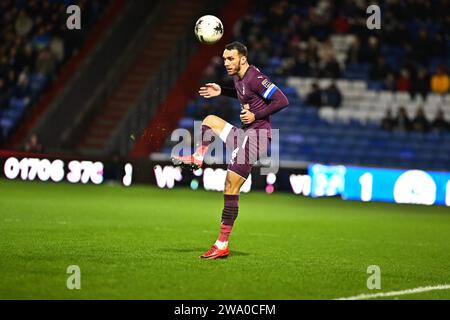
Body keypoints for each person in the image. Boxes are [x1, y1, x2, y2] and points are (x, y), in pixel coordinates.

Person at [172, 42, 289, 259]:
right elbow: (246, 94)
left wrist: (256, 115)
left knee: (230, 186)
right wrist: (221, 91)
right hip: (245, 134)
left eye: (230, 59)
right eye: (225, 59)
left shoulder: (255, 76)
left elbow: (282, 100)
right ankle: (198, 156)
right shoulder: (239, 78)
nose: (226, 63)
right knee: (209, 120)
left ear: (242, 59)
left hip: (257, 136)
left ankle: (222, 243)